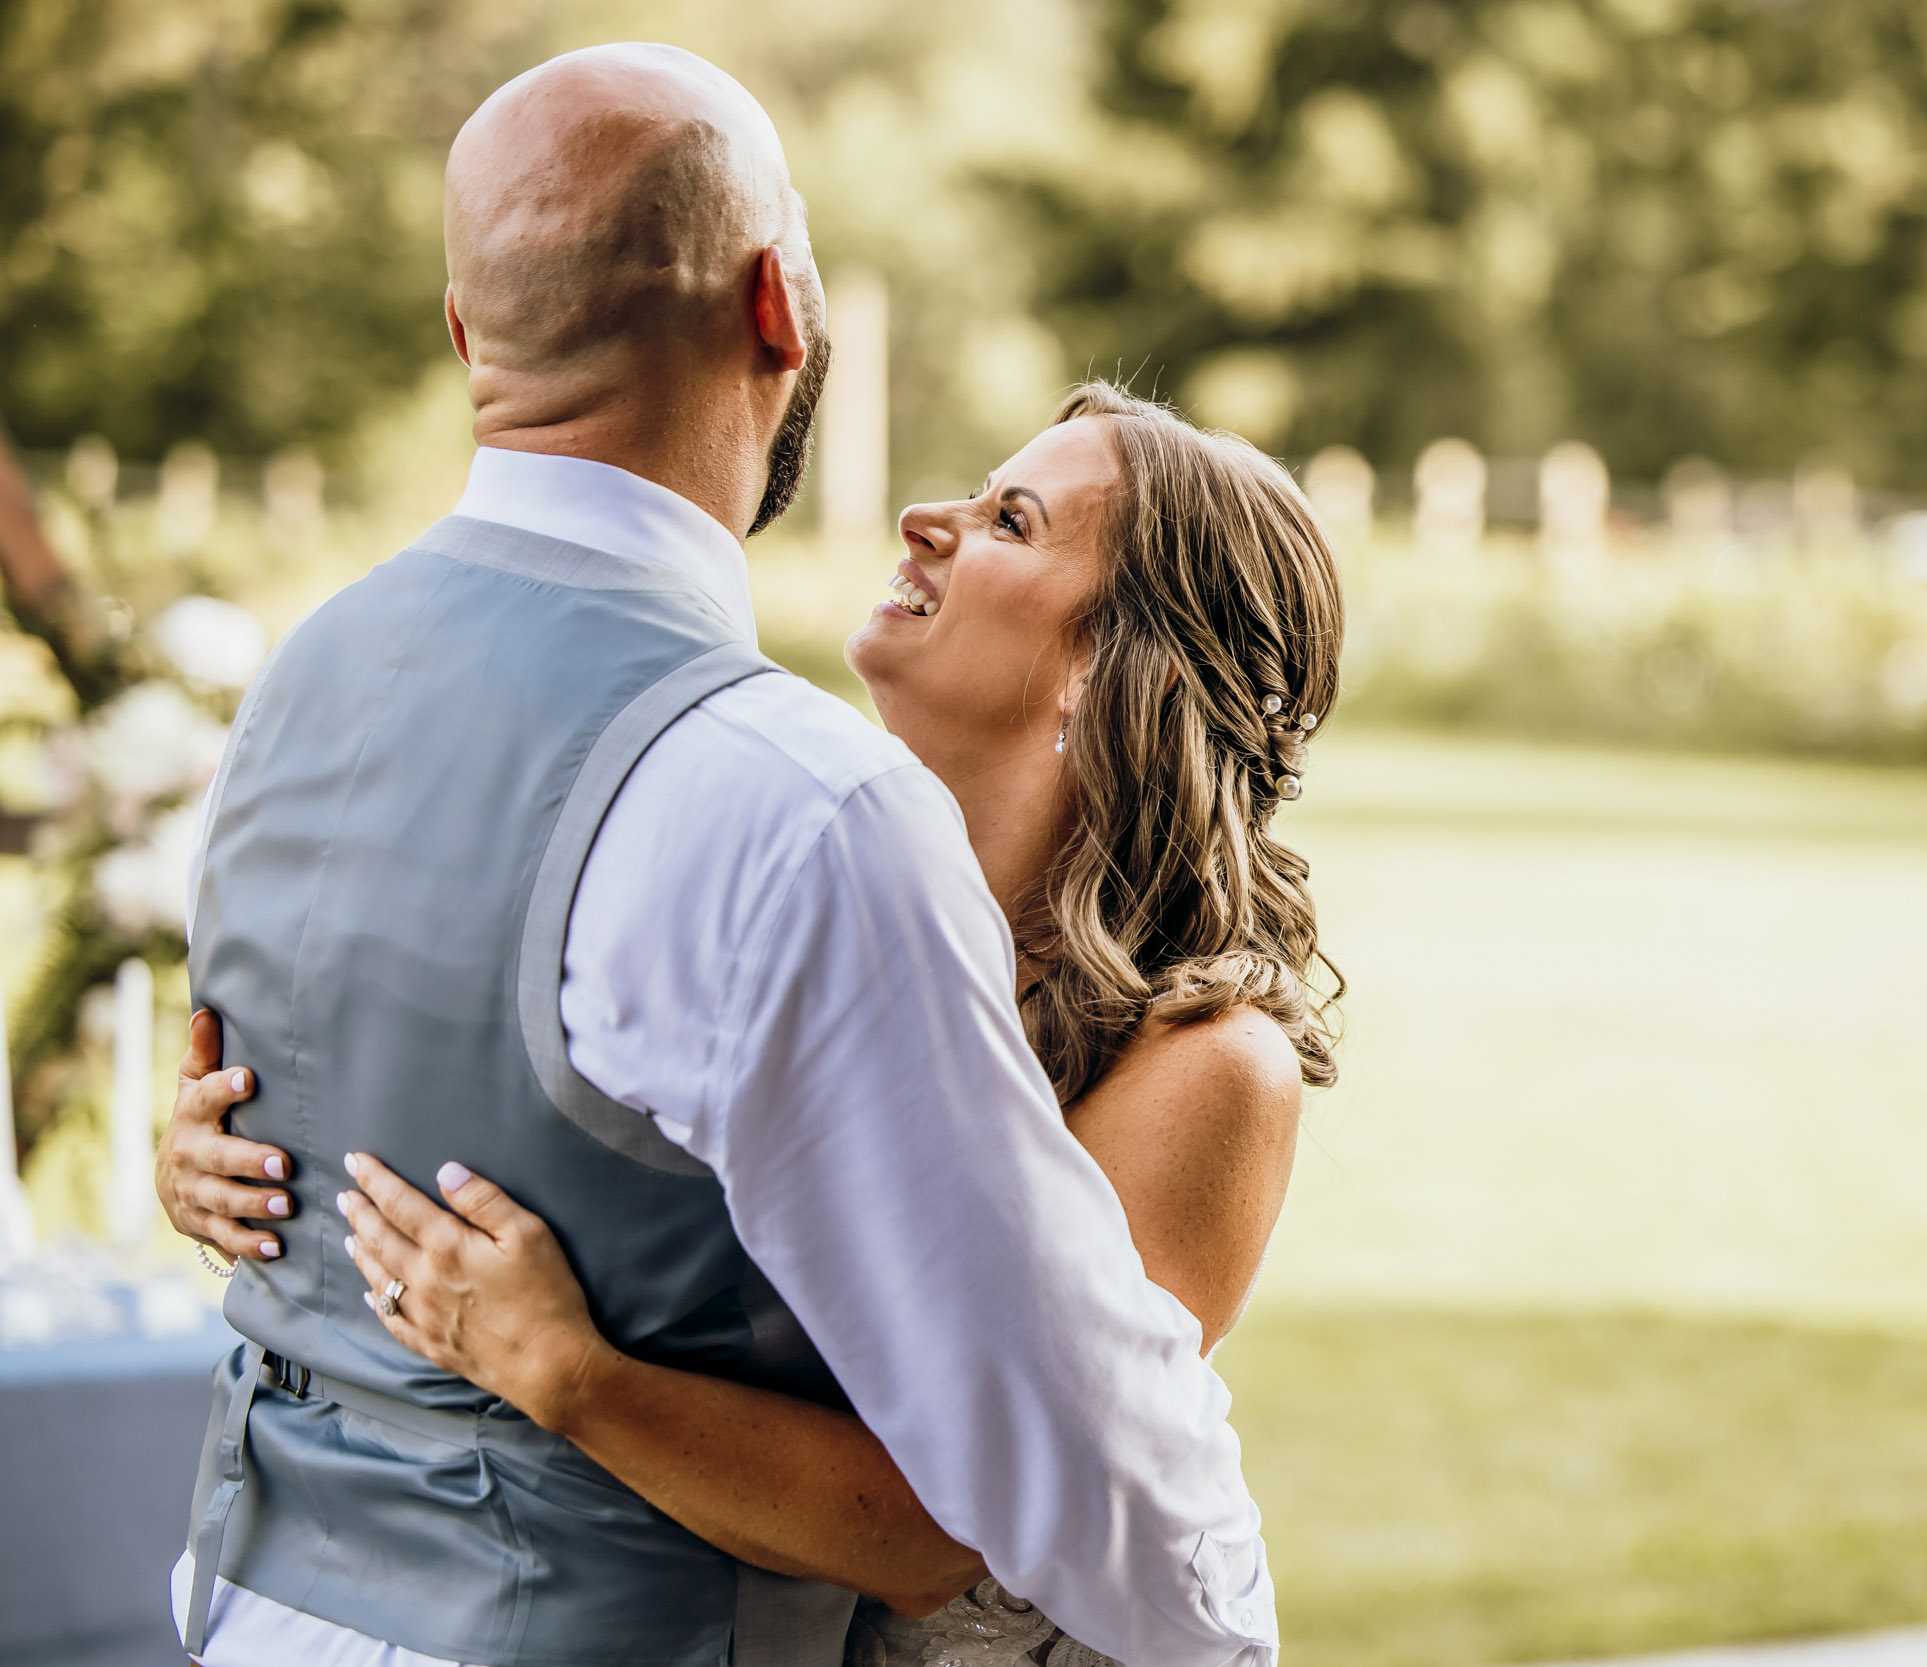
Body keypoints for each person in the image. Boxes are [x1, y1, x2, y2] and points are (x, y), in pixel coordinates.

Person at [150, 41, 1325, 1667]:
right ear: (780, 306)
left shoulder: (310, 674)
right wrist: (212, 1162)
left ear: (466, 331)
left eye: (1010, 523)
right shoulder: (790, 819)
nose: (928, 517)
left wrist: (577, 1374)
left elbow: (975, 1513)